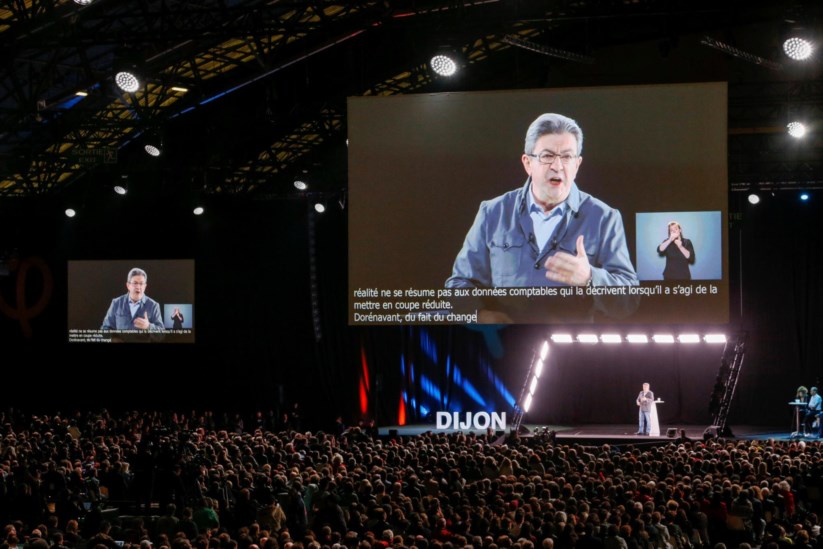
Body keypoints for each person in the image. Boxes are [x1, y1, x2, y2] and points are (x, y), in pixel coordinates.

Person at [445, 113, 638, 322]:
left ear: (577, 164)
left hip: (570, 349)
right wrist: (481, 316)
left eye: (566, 157)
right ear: (528, 163)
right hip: (503, 345)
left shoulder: (605, 218)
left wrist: (591, 278)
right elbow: (459, 285)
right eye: (547, 156)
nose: (557, 166)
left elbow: (629, 301)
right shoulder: (492, 212)